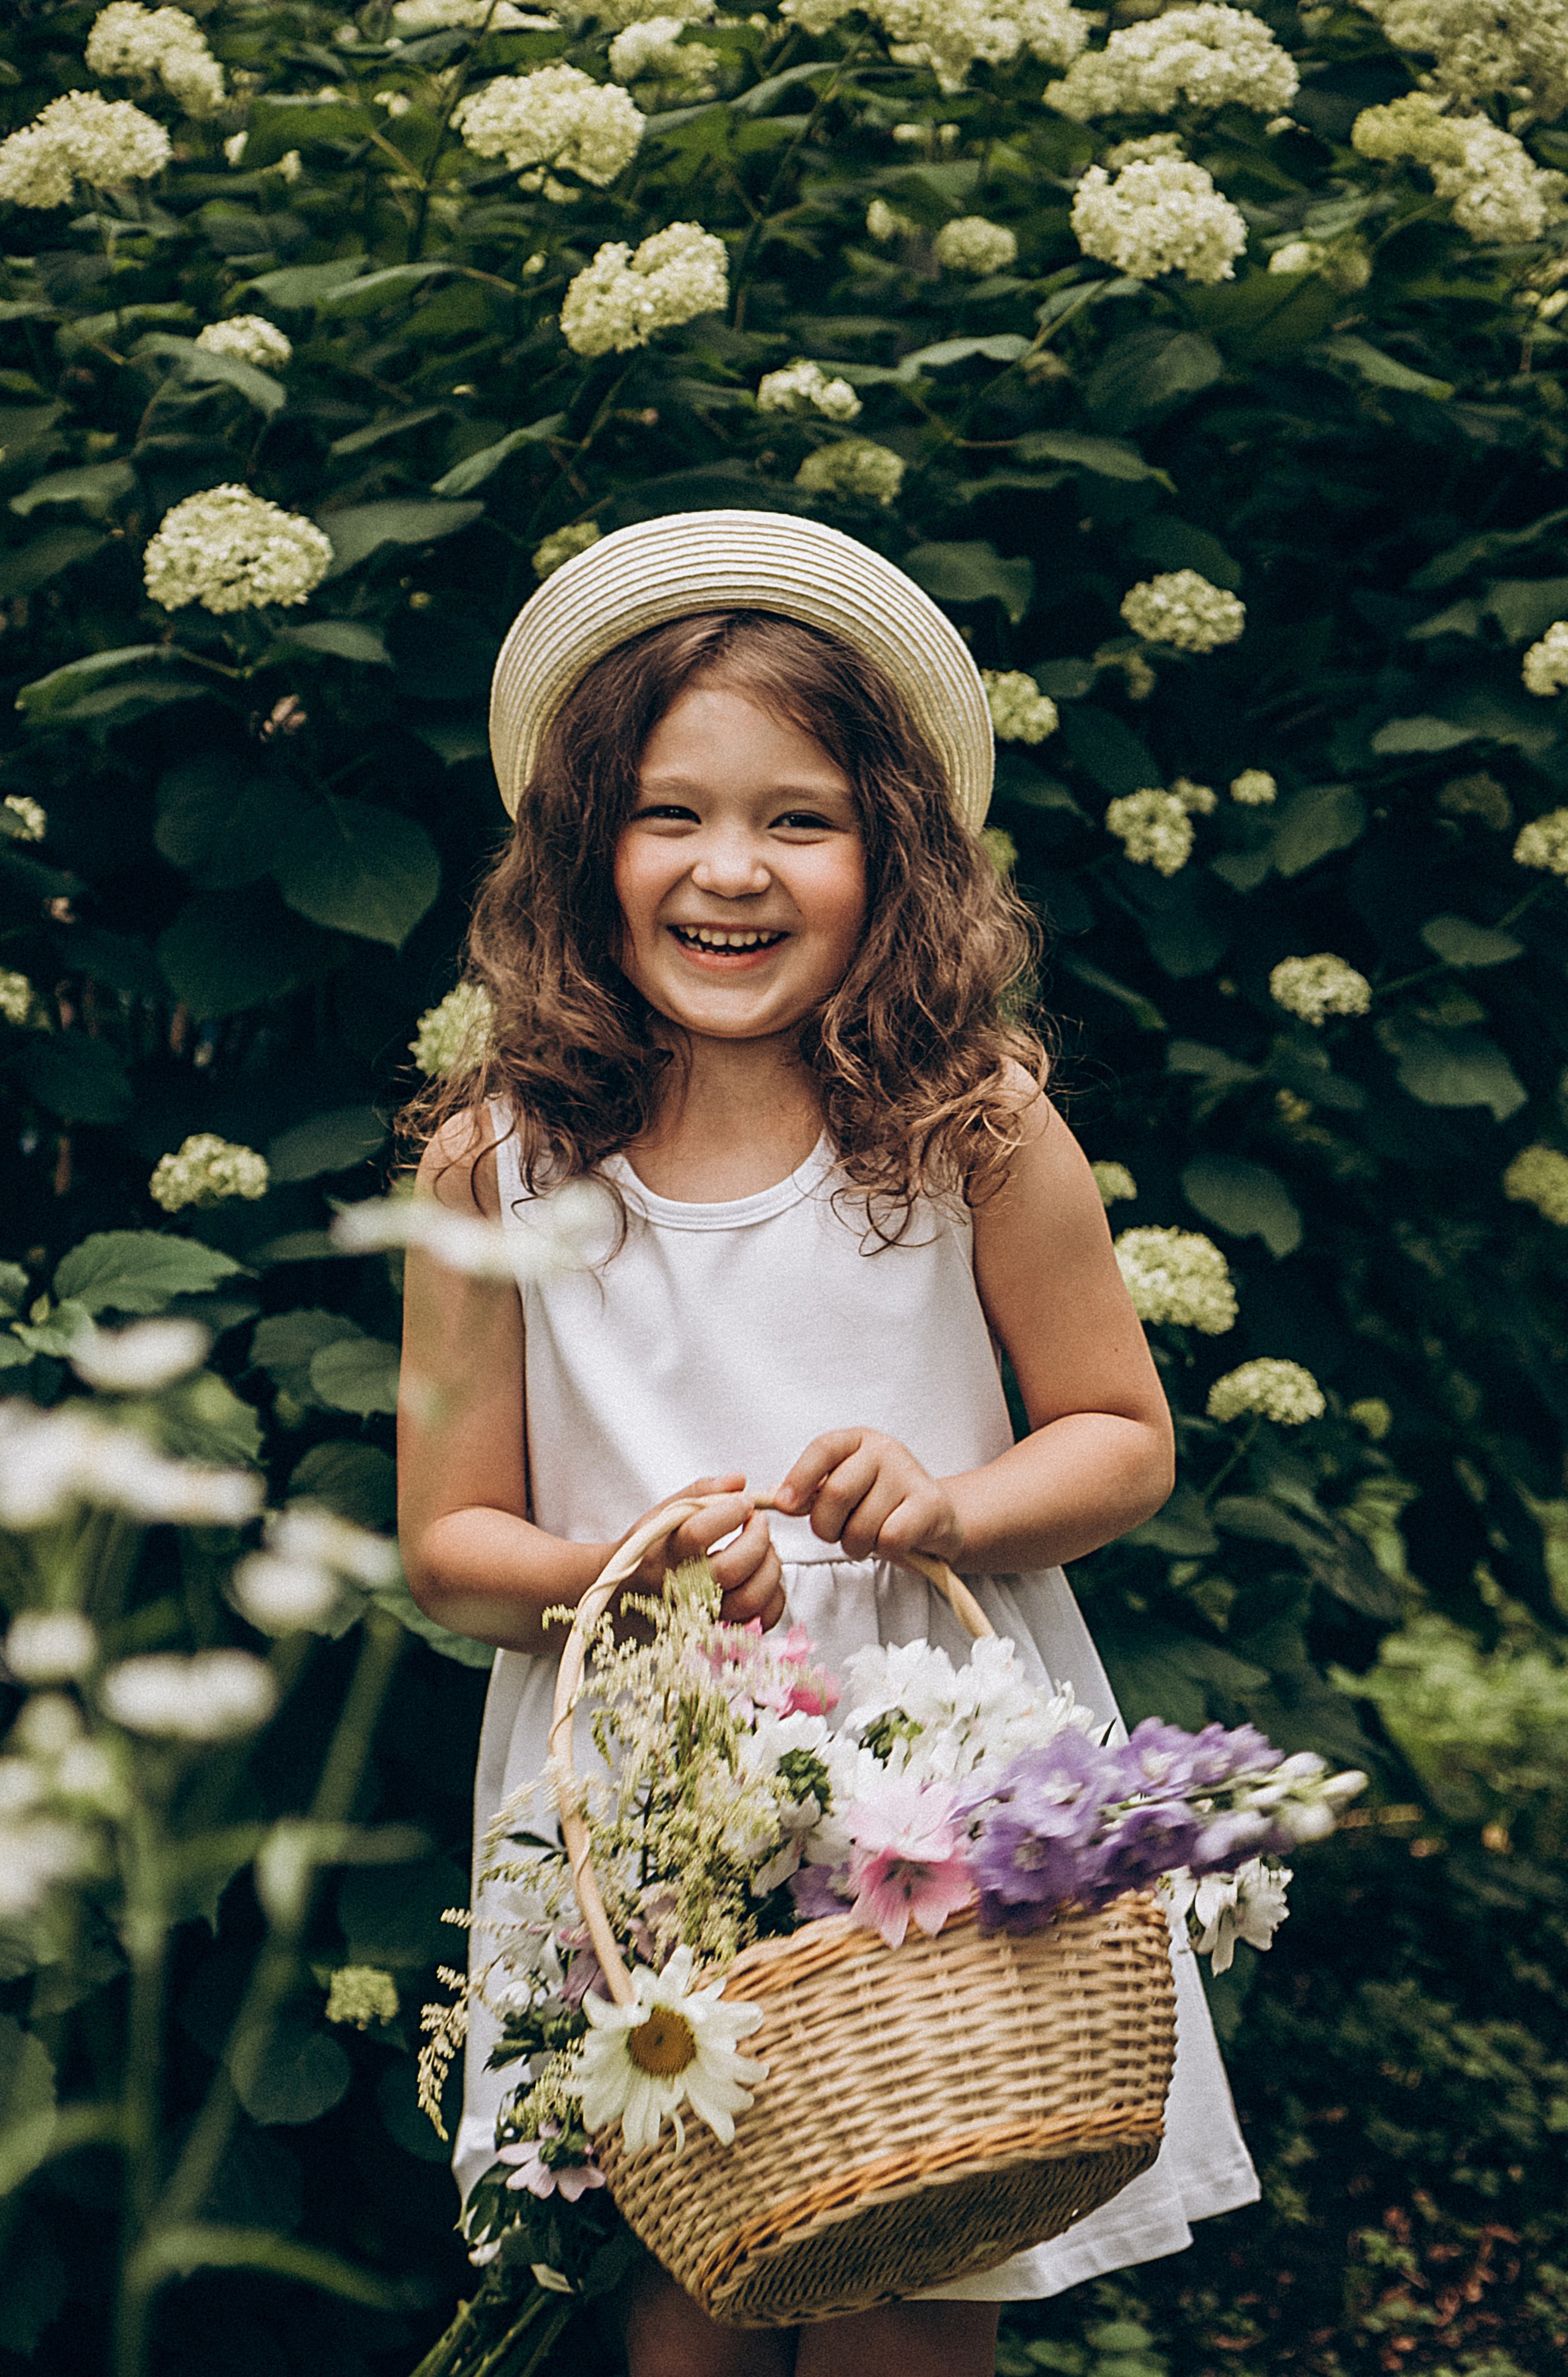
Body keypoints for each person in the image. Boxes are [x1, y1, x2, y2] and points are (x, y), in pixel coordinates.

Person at [398, 511, 1259, 2377]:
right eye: (669, 812)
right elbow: (451, 1543)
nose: (733, 869)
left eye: (801, 818)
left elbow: (1122, 1435)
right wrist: (617, 1570)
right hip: (654, 1804)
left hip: (925, 1793)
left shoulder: (972, 1126)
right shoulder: (501, 1165)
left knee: (920, 2275)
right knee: (692, 2298)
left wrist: (950, 1498)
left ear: (891, 854)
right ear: (582, 850)